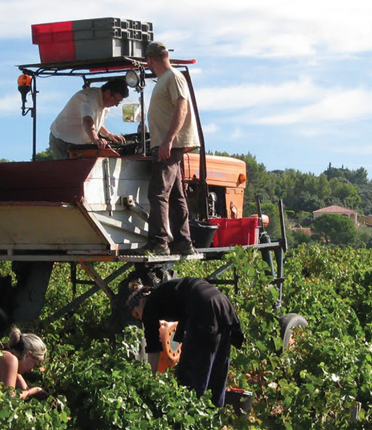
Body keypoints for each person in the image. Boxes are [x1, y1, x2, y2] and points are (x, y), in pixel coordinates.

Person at [126, 277, 244, 407]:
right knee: (218, 366)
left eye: (137, 314)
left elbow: (154, 347)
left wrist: (150, 381)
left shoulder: (150, 305)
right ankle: (215, 412)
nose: (140, 319)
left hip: (203, 307)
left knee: (192, 371)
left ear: (141, 302)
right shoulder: (163, 293)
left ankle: (193, 413)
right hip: (222, 302)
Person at [142, 41, 200, 255]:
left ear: (151, 60)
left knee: (158, 193)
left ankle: (159, 242)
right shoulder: (165, 79)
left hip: (168, 145)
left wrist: (167, 140)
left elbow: (181, 108)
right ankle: (183, 242)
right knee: (176, 196)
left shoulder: (173, 77)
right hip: (166, 142)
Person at [49, 78, 129, 160]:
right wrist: (96, 139)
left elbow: (97, 124)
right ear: (107, 93)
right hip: (62, 140)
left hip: (79, 143)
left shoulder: (104, 104)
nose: (116, 105)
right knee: (66, 171)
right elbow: (87, 120)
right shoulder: (89, 99)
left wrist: (109, 134)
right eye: (116, 101)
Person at [0, 327, 47, 400]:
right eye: (34, 364)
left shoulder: (5, 356)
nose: (32, 370)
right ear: (28, 355)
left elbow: (24, 390)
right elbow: (9, 398)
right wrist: (34, 390)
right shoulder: (11, 360)